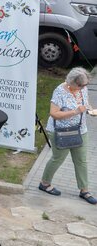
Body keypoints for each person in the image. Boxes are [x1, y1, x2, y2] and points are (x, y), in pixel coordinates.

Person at [39, 67, 95, 204]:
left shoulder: (83, 88)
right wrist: (75, 112)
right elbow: (54, 114)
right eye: (81, 85)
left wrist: (90, 110)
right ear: (72, 82)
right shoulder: (59, 91)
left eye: (85, 85)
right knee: (58, 158)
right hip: (61, 131)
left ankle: (84, 190)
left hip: (80, 130)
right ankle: (44, 183)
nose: (83, 88)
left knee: (81, 160)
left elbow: (84, 104)